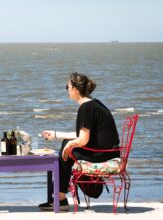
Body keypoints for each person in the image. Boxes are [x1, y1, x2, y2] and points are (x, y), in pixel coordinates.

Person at [38, 72, 120, 211]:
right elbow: (82, 134)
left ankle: (60, 199)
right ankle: (60, 196)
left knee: (66, 151)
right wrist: (56, 135)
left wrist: (68, 146)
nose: (67, 90)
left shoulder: (86, 108)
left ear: (75, 89)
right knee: (65, 145)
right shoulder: (93, 103)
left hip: (103, 154)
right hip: (108, 151)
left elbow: (82, 139)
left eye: (67, 87)